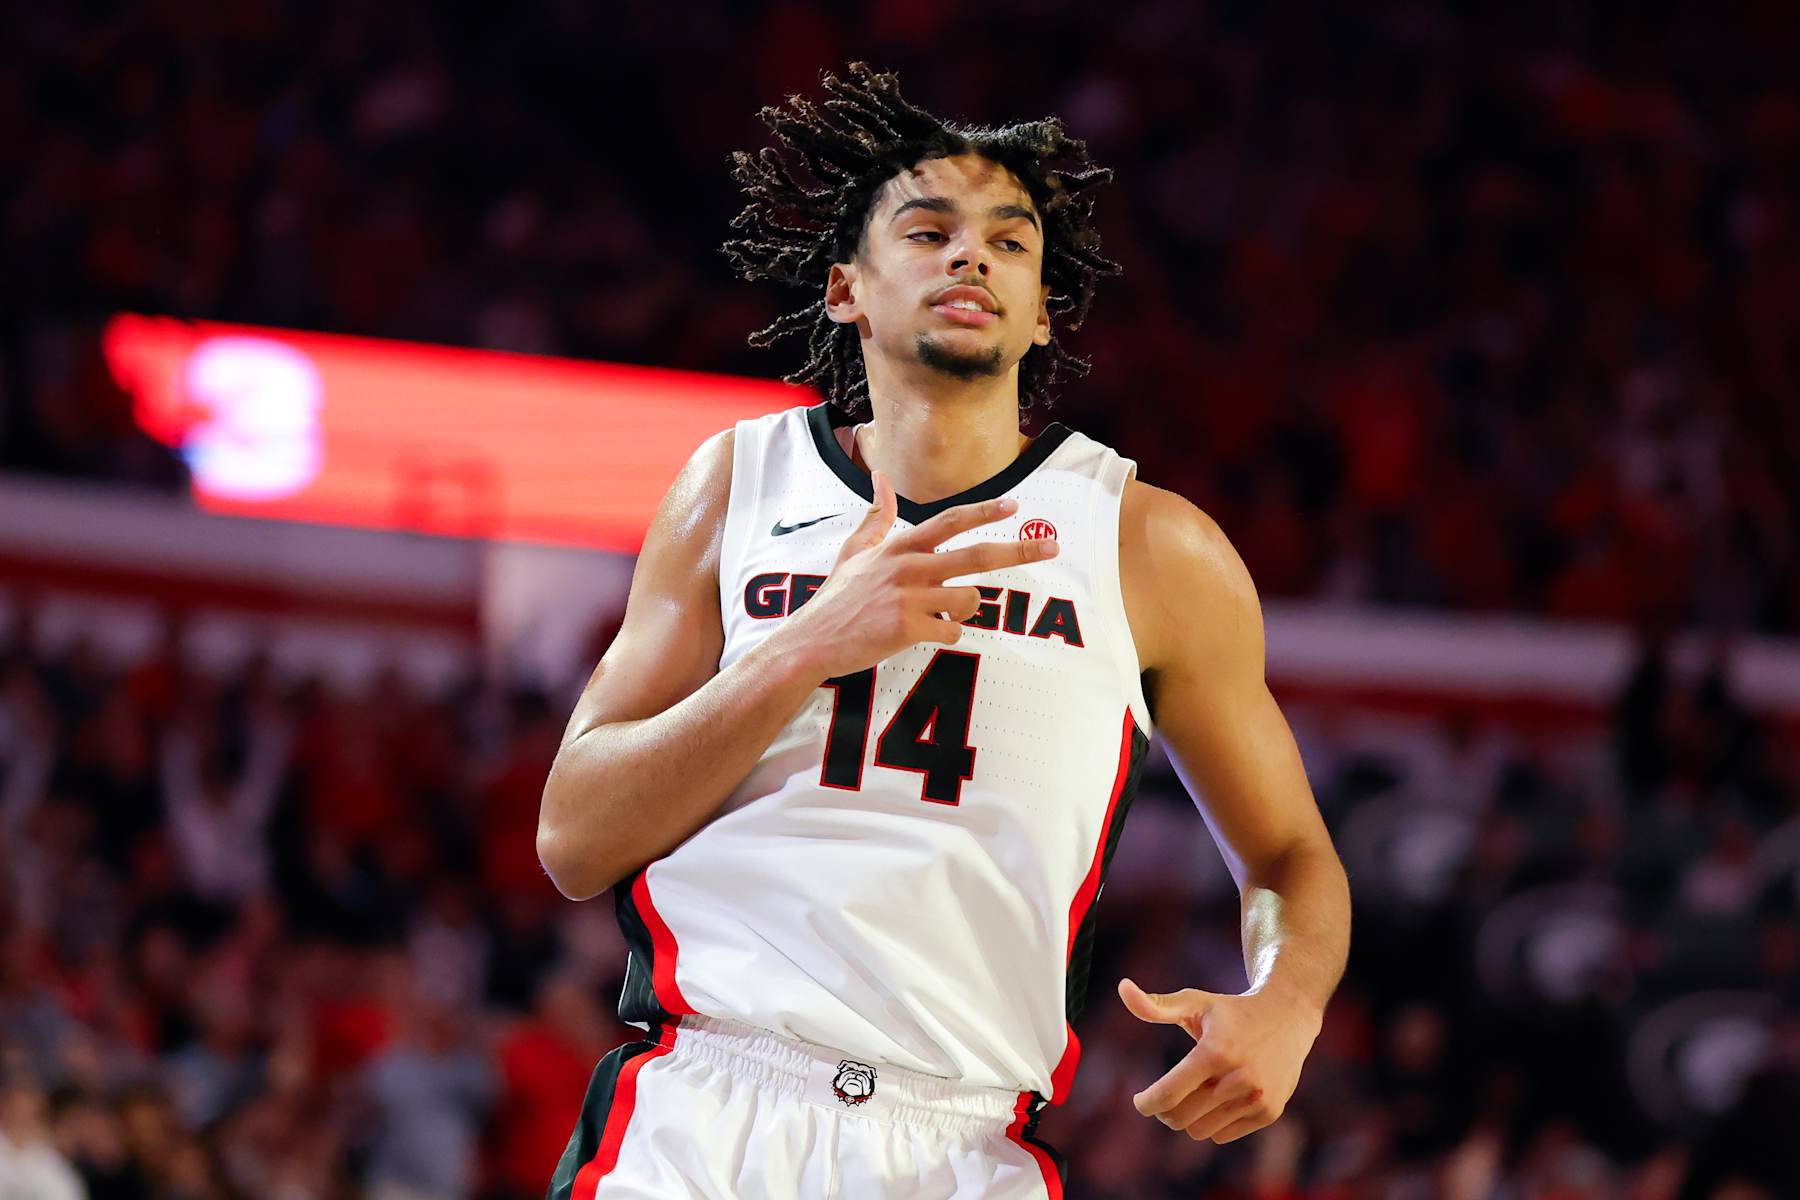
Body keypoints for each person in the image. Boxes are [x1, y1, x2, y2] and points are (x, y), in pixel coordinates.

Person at [536, 62, 1351, 1199]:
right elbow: (574, 838)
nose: (972, 255)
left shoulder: (1152, 546)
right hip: (699, 1107)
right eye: (928, 230)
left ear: (1042, 310)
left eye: (1010, 244)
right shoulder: (734, 484)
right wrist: (803, 646)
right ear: (846, 291)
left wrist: (1287, 1001)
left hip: (963, 1144)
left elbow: (1290, 858)